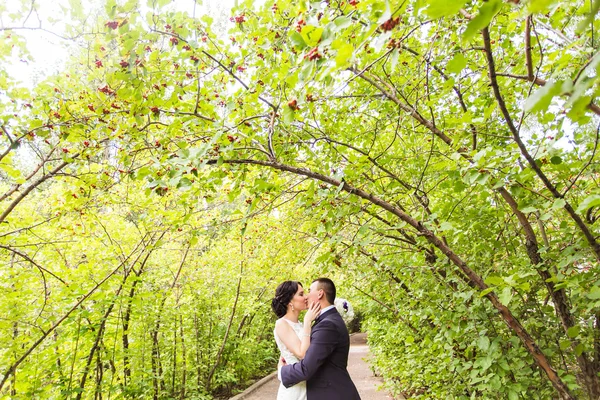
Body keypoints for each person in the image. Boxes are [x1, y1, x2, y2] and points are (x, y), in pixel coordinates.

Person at [278, 278, 361, 400]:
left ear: (320, 293)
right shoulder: (328, 320)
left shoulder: (327, 325)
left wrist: (281, 371)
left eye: (309, 291)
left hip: (332, 393)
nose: (306, 296)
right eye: (302, 294)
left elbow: (307, 367)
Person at [271, 281, 321, 400]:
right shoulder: (281, 323)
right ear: (290, 301)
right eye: (301, 294)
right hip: (294, 389)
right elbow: (302, 353)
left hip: (309, 385)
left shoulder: (299, 324)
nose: (306, 297)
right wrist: (308, 322)